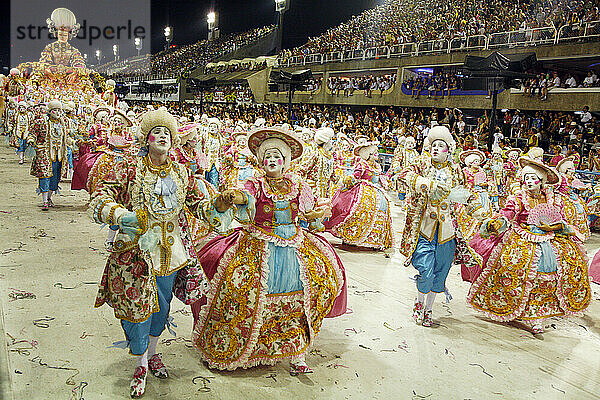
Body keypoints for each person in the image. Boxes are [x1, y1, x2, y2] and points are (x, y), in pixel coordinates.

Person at [191, 126, 347, 374]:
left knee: (305, 294)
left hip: (295, 246)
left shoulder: (299, 185)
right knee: (243, 292)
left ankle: (297, 351)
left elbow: (309, 214)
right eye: (268, 157)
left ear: (286, 162)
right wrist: (236, 197)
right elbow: (246, 197)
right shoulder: (255, 183)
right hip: (259, 243)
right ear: (261, 161)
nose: (272, 161)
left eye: (278, 157)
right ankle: (249, 347)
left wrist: (318, 213)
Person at [89, 108, 208, 397]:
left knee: (163, 305)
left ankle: (153, 352)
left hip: (171, 253)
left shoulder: (181, 171)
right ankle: (141, 361)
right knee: (137, 310)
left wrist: (221, 207)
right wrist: (118, 215)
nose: (163, 137)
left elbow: (198, 205)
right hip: (135, 254)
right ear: (147, 138)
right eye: (157, 132)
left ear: (174, 139)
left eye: (168, 133)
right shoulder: (129, 168)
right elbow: (100, 195)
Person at [468, 157, 591, 334]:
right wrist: (497, 223)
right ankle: (515, 307)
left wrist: (553, 227)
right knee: (512, 267)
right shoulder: (518, 198)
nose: (529, 182)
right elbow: (507, 214)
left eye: (534, 179)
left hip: (549, 239)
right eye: (527, 179)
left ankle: (538, 317)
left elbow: (562, 220)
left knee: (561, 268)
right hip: (522, 237)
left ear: (542, 182)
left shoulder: (554, 200)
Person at [398, 126, 485, 326]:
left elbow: (467, 195)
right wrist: (428, 185)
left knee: (440, 274)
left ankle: (429, 309)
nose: (436, 149)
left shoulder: (456, 171)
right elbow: (403, 175)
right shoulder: (421, 164)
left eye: (441, 146)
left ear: (449, 150)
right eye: (433, 145)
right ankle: (419, 304)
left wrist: (482, 216)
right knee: (426, 271)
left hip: (447, 232)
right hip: (424, 228)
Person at [325, 140, 393, 252]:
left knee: (381, 208)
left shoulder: (377, 166)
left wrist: (386, 183)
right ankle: (352, 236)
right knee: (357, 210)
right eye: (375, 152)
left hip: (377, 191)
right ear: (369, 154)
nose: (378, 154)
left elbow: (380, 177)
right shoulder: (362, 165)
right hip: (364, 192)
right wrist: (345, 183)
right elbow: (355, 176)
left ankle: (374, 239)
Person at [27, 99, 67, 210]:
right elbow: (33, 133)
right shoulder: (41, 122)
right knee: (45, 176)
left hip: (58, 154)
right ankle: (44, 200)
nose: (58, 113)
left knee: (55, 177)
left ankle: (49, 198)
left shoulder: (63, 123)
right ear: (49, 111)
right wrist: (31, 140)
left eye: (59, 110)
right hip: (45, 153)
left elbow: (66, 138)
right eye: (55, 110)